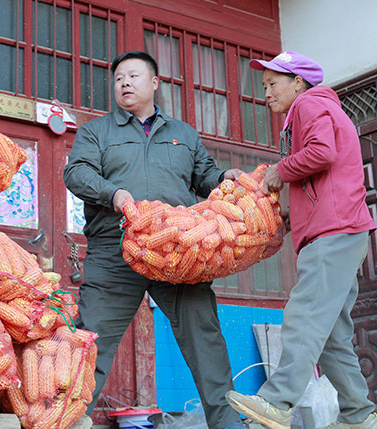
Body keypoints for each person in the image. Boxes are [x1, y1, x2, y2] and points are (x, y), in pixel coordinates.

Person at [63, 50, 245, 429]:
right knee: (89, 345)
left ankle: (228, 425)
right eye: (118, 79)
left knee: (206, 342)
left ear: (155, 83)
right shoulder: (96, 132)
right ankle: (66, 421)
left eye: (132, 76)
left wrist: (225, 179)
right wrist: (114, 194)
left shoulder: (183, 134)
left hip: (178, 253)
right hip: (115, 251)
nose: (124, 83)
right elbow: (76, 172)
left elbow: (206, 178)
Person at [224, 51, 377, 429]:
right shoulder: (314, 109)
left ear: (298, 82)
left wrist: (281, 169)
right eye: (263, 87)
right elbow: (318, 178)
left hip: (335, 232)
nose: (266, 93)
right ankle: (359, 416)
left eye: (273, 83)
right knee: (330, 334)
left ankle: (277, 403)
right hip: (342, 232)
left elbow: (321, 154)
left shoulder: (309, 104)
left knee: (304, 315)